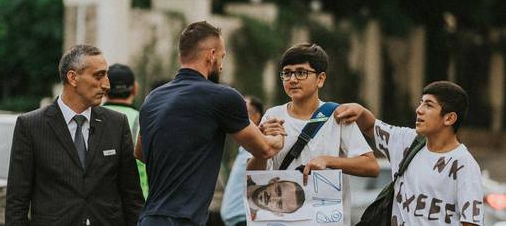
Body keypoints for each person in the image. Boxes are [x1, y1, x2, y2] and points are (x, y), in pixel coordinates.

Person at [136, 21, 285, 226]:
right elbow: (266, 149)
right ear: (211, 55)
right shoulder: (222, 96)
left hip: (149, 218)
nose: (222, 65)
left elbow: (140, 152)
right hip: (183, 219)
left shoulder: (153, 98)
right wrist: (278, 136)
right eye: (222, 57)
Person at [6, 45, 144, 226]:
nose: (107, 84)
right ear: (73, 77)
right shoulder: (30, 126)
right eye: (98, 75)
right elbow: (17, 202)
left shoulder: (117, 124)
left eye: (106, 75)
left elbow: (132, 196)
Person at [247, 43, 379, 226]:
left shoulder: (337, 115)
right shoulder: (272, 116)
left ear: (320, 79)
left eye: (301, 72)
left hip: (327, 221)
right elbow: (253, 176)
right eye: (287, 73)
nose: (292, 79)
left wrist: (328, 161)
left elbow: (371, 166)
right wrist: (262, 150)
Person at [336, 81, 484, 226]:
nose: (419, 110)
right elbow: (370, 126)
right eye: (421, 102)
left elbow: (471, 222)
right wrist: (360, 110)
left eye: (429, 105)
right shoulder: (407, 141)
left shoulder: (464, 164)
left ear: (449, 118)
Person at [103, 63, 149, 199]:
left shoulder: (90, 118)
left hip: (101, 205)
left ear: (105, 89)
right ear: (135, 88)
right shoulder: (143, 120)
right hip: (138, 202)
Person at [221, 96, 265, 226]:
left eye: (242, 111)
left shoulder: (258, 146)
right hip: (236, 219)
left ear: (256, 116)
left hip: (244, 218)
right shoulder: (244, 146)